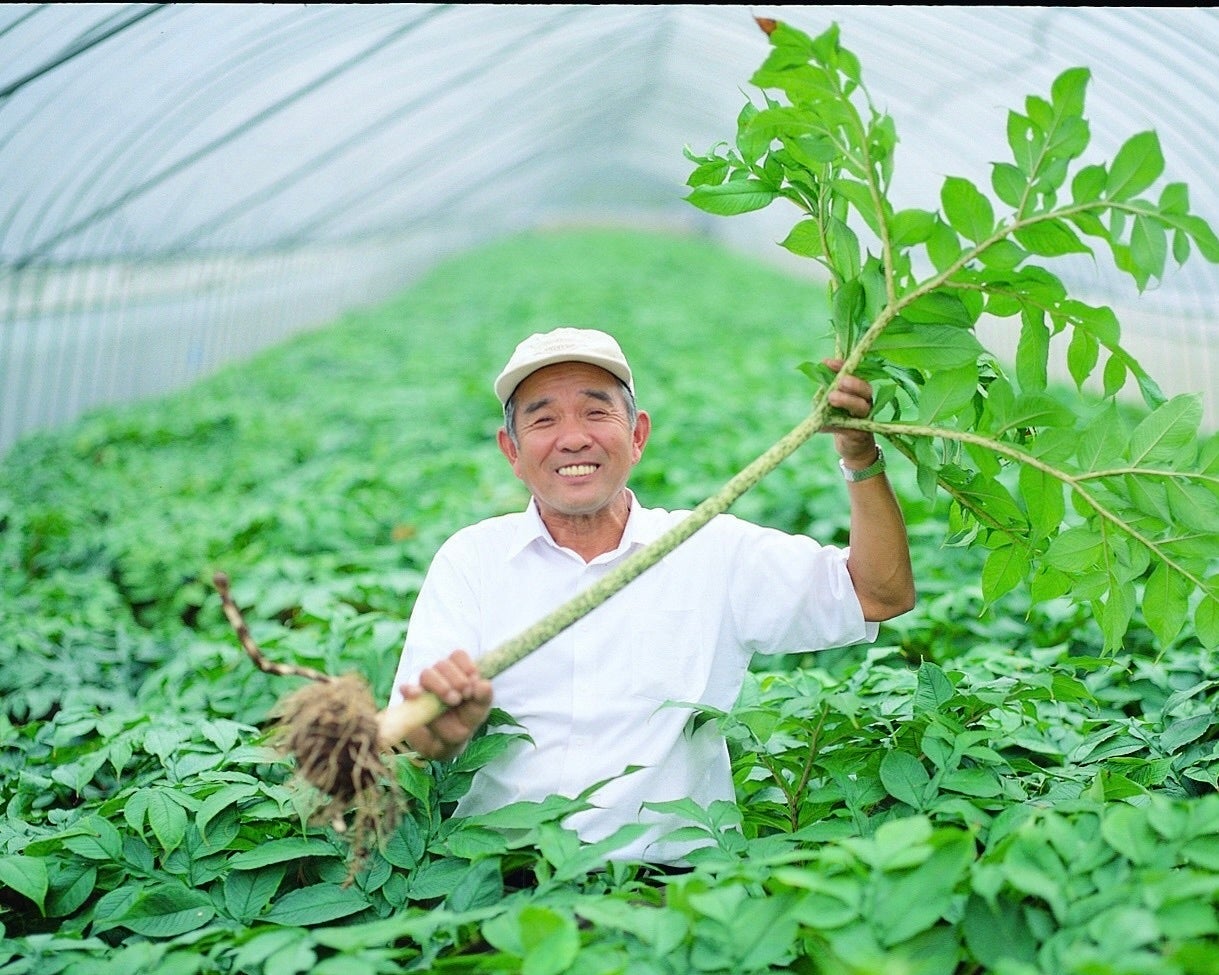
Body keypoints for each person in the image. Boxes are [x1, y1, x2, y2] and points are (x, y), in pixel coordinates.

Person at [388, 327, 914, 863]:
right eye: (543, 420)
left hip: (671, 887)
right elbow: (413, 742)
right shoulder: (472, 560)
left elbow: (879, 593)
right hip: (499, 881)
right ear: (512, 452)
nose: (573, 438)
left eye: (596, 413)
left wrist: (859, 454)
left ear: (637, 436)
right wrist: (445, 733)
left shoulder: (709, 547)